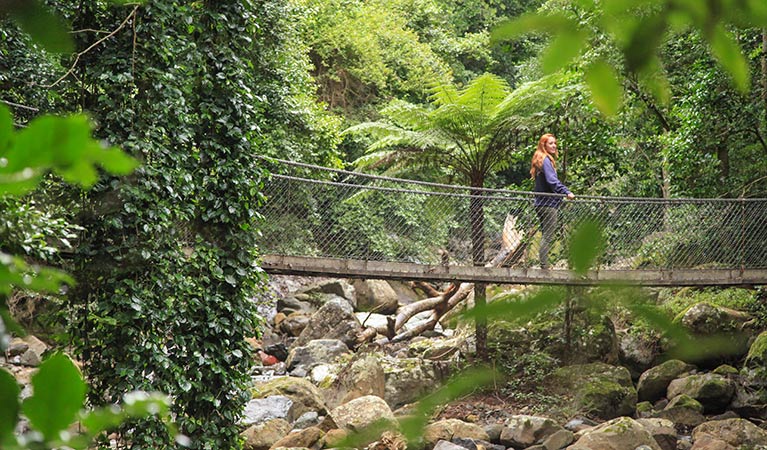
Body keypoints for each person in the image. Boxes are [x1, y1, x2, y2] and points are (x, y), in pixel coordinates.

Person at [530, 133, 574, 269]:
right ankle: (544, 266)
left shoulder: (539, 160)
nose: (554, 145)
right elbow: (552, 181)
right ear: (544, 145)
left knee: (545, 235)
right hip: (548, 204)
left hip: (540, 203)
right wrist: (566, 191)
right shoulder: (546, 160)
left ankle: (544, 264)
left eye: (555, 143)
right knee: (548, 236)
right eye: (550, 143)